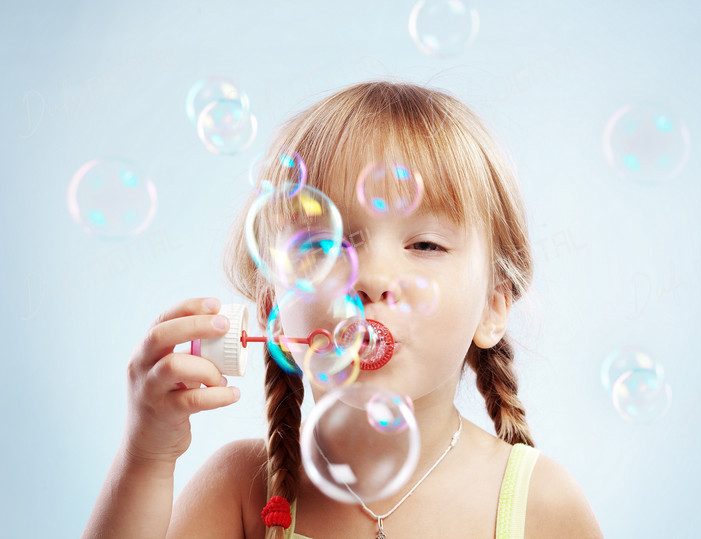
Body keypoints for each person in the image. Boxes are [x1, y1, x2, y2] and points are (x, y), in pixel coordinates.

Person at [83, 81, 603, 538]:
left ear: (494, 308)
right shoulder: (242, 493)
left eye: (425, 245)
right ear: (273, 309)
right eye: (328, 248)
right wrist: (147, 459)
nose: (373, 279)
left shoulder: (542, 505)